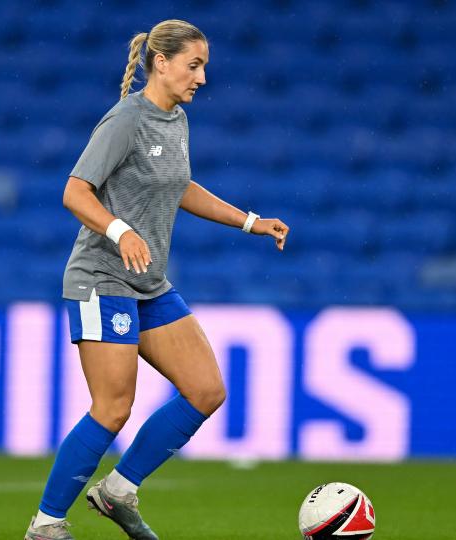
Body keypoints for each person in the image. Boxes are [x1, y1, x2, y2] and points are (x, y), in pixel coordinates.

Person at [24, 19, 289, 540]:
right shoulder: (125, 119)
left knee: (205, 390)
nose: (203, 78)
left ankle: (119, 490)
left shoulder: (178, 121)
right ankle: (46, 525)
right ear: (161, 63)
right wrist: (120, 230)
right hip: (103, 278)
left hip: (149, 283)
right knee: (114, 407)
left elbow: (179, 185)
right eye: (195, 65)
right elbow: (75, 191)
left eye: (205, 66)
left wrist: (249, 221)